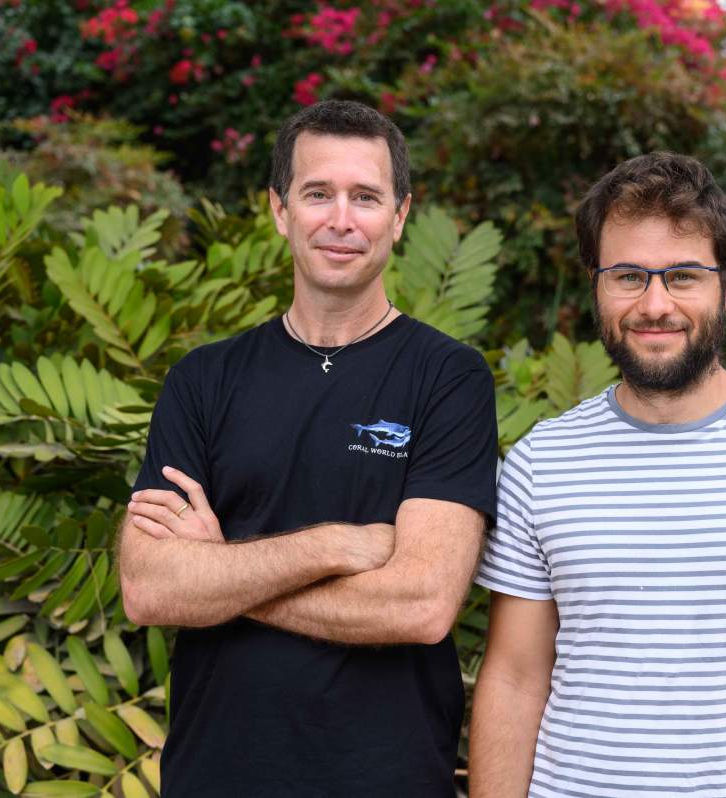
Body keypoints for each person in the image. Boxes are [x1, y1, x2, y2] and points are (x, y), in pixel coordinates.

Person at [469, 152, 726, 798]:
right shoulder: (538, 464)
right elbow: (515, 679)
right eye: (628, 276)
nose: (655, 304)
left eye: (684, 276)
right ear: (596, 284)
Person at [117, 100, 498, 797]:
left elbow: (420, 605)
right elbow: (149, 588)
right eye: (318, 193)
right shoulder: (202, 380)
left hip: (385, 780)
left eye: (366, 197)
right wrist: (334, 546)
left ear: (400, 216)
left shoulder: (448, 378)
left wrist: (220, 572)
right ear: (279, 209)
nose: (341, 220)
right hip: (215, 777)